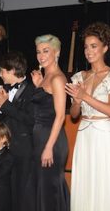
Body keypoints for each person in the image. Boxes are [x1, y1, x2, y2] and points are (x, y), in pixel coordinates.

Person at [65, 22, 110, 211]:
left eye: (93, 46)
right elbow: (74, 115)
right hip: (84, 134)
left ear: (105, 48)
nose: (89, 51)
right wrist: (77, 102)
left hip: (104, 135)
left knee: (105, 183)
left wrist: (85, 96)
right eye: (86, 47)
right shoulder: (79, 77)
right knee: (86, 183)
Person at [30, 35, 70, 210]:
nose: (41, 55)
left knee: (50, 189)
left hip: (51, 140)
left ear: (57, 52)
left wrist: (48, 147)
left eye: (46, 51)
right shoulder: (46, 77)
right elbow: (44, 106)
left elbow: (60, 116)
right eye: (38, 52)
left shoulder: (57, 79)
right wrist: (38, 85)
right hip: (41, 137)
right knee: (43, 188)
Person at [0, 52, 35, 210]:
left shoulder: (33, 89)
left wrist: (5, 105)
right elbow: (1, 119)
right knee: (6, 195)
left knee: (23, 195)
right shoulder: (4, 89)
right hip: (7, 150)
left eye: (2, 71)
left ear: (12, 71)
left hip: (24, 151)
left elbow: (30, 120)